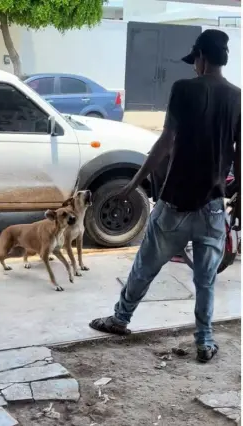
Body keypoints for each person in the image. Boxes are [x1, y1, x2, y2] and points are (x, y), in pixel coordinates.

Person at [89, 29, 240, 364]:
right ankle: (204, 342)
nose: (194, 66)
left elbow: (164, 143)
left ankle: (120, 319)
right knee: (205, 280)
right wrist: (240, 196)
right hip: (214, 209)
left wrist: (133, 184)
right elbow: (239, 152)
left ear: (201, 57)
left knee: (144, 267)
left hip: (174, 205)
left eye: (195, 60)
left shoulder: (183, 89)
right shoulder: (236, 96)